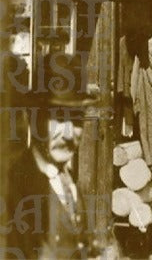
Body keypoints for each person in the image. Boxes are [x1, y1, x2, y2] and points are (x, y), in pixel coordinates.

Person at [2, 55, 101, 259]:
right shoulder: (13, 191)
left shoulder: (69, 180)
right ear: (33, 117)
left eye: (76, 119)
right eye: (57, 117)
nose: (67, 134)